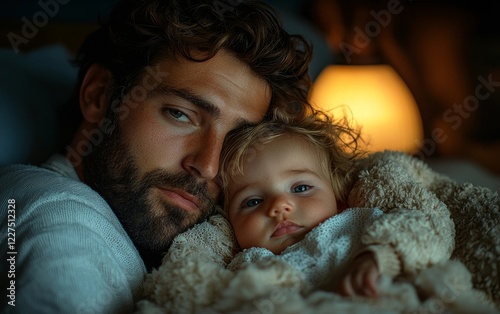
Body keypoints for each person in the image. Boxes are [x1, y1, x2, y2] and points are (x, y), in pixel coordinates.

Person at [0, 0, 314, 312]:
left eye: (235, 140)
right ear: (98, 95)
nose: (208, 166)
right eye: (180, 114)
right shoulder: (59, 222)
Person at [218, 109, 402, 298]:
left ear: (338, 200)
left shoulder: (356, 223)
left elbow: (405, 237)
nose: (279, 206)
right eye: (253, 201)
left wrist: (376, 259)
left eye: (300, 188)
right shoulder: (245, 265)